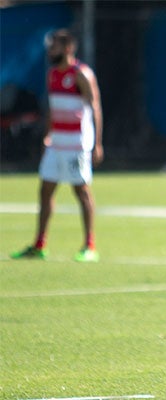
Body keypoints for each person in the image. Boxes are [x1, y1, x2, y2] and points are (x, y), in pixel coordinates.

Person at [11, 29, 103, 262]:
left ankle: (89, 245)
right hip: (57, 143)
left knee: (81, 191)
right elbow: (52, 108)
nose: (50, 51)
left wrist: (97, 144)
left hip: (77, 144)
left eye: (55, 47)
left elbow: (96, 108)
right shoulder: (52, 74)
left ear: (68, 48)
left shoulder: (81, 74)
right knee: (45, 190)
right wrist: (47, 136)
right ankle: (40, 243)